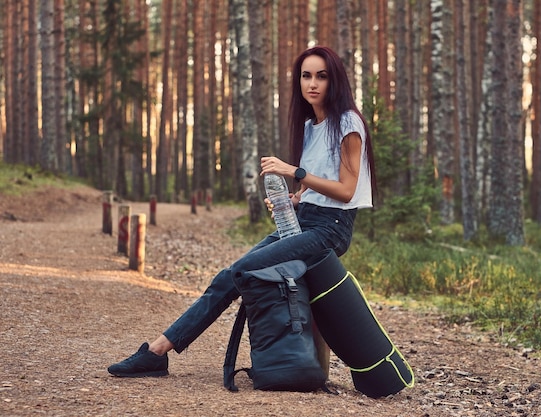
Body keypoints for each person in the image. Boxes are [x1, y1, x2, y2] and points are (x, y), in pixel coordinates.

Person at [107, 45, 377, 377]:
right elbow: (316, 184)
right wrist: (293, 199)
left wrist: (294, 171)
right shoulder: (310, 126)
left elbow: (347, 190)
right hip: (302, 221)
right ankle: (157, 351)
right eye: (306, 76)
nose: (313, 84)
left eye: (321, 76)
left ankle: (160, 350)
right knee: (231, 274)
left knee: (240, 271)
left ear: (335, 80)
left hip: (329, 230)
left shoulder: (348, 122)